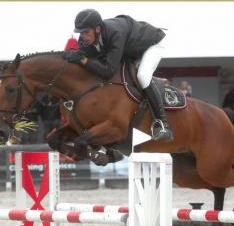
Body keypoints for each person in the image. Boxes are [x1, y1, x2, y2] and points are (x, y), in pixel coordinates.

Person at [63, 9, 173, 141]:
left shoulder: (115, 33)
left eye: (86, 32)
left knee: (142, 77)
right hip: (129, 50)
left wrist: (83, 60)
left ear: (97, 29)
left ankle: (162, 124)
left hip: (151, 45)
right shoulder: (85, 39)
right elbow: (83, 60)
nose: (83, 36)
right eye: (81, 33)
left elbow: (107, 70)